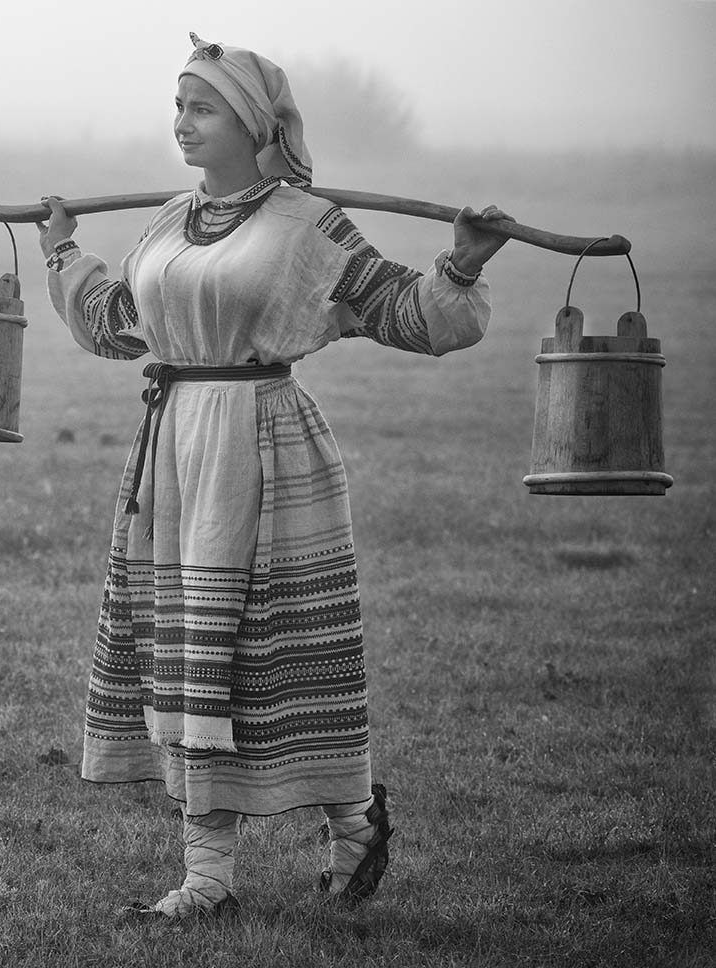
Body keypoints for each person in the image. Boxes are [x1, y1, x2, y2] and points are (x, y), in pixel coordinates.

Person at [37, 33, 511, 919]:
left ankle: (355, 821)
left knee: (281, 661)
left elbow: (412, 313)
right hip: (175, 453)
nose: (181, 122)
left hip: (267, 453)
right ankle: (207, 877)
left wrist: (462, 262)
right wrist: (64, 253)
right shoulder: (167, 224)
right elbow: (113, 324)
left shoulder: (306, 224)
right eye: (177, 105)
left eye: (201, 106)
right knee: (193, 660)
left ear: (253, 123)